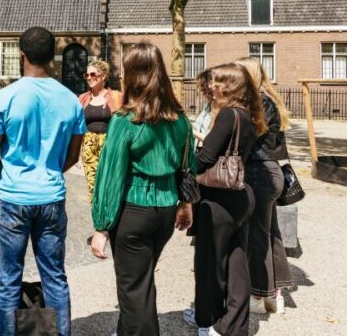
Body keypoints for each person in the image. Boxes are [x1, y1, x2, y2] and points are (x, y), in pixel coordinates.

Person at [0, 27, 86, 336]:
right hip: (51, 196)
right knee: (54, 276)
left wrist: (7, 175)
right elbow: (73, 156)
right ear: (53, 56)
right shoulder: (70, 100)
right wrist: (49, 170)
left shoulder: (4, 97)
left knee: (8, 281)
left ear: (21, 55)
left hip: (12, 197)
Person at [90, 43, 195, 335]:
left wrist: (101, 227)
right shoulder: (180, 120)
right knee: (141, 281)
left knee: (134, 289)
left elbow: (110, 176)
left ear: (131, 76)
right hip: (164, 212)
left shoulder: (126, 121)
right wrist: (185, 204)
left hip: (134, 212)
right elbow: (188, 166)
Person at [184, 63, 266, 336]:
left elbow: (206, 158)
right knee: (236, 260)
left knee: (210, 262)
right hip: (240, 195)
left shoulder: (228, 115)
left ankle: (208, 320)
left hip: (218, 198)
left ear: (227, 86)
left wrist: (180, 168)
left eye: (216, 82)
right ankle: (234, 324)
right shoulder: (248, 114)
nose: (212, 86)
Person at [236, 58, 294, 315]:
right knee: (271, 233)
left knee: (259, 236)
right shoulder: (270, 100)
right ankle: (275, 294)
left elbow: (247, 139)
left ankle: (260, 295)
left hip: (259, 173)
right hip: (270, 171)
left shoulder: (258, 103)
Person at [77, 59, 122, 205]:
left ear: (103, 76)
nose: (89, 77)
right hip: (89, 145)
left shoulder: (115, 96)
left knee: (109, 183)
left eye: (92, 74)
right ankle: (98, 220)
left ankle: (110, 219)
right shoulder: (83, 98)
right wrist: (77, 151)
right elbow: (78, 126)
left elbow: (124, 123)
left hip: (108, 143)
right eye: (87, 75)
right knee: (92, 186)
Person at [193, 69, 214, 149]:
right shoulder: (208, 105)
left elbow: (212, 141)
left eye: (203, 89)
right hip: (200, 150)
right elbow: (198, 125)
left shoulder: (221, 109)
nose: (203, 93)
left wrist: (192, 132)